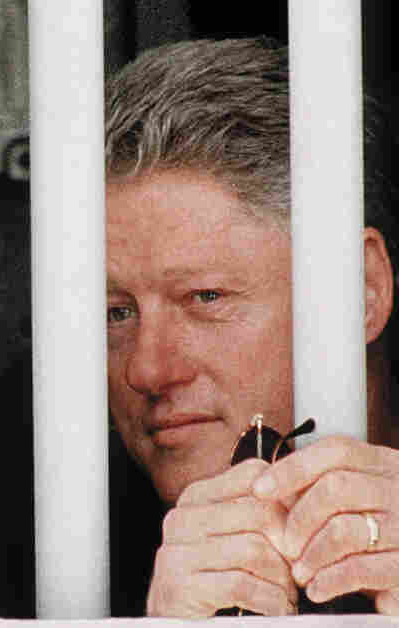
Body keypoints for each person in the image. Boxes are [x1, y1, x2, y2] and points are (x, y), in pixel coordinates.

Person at [104, 37, 399, 617]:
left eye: (205, 297)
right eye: (117, 311)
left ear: (359, 291)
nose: (145, 369)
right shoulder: (52, 550)